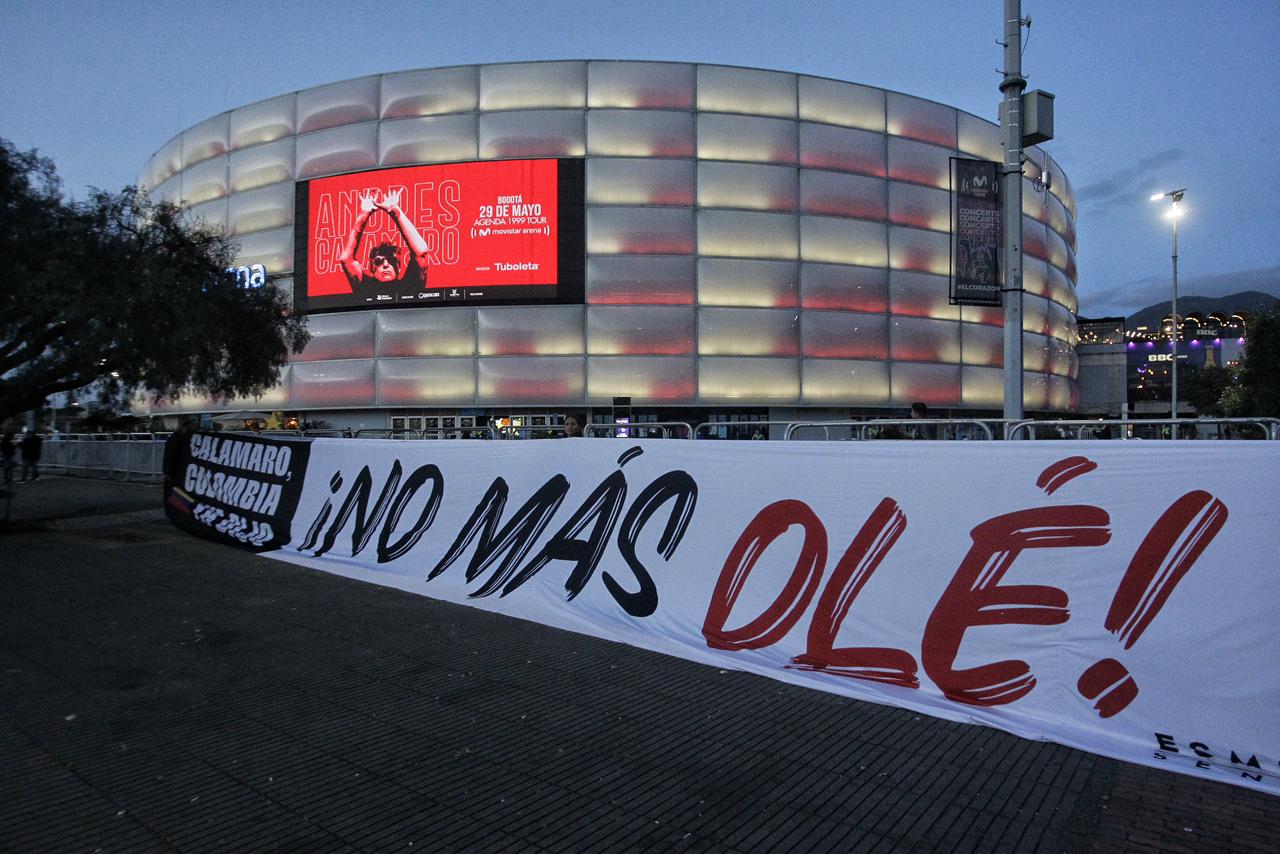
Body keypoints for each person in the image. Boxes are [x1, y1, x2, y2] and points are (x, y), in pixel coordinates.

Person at [339, 189, 431, 300]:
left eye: (392, 260)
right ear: (372, 269)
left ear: (399, 268)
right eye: (379, 261)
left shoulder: (409, 286)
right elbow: (346, 259)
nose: (386, 265)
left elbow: (421, 252)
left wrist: (394, 211)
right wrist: (363, 215)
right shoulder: (365, 287)